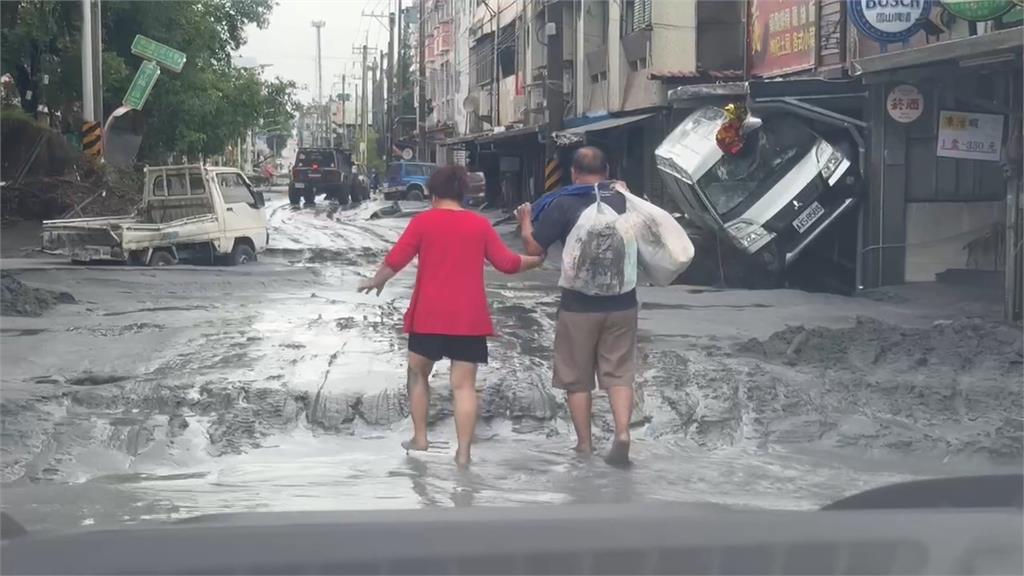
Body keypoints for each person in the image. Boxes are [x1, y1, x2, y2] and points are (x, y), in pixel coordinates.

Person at [359, 165, 544, 467]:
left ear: (432, 193)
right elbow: (507, 263)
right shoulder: (479, 225)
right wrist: (536, 261)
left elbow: (397, 258)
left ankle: (420, 437)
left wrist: (377, 281)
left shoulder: (423, 223)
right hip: (468, 319)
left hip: (429, 317)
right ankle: (464, 453)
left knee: (418, 373)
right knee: (464, 386)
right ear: (464, 194)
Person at [515, 147, 638, 468]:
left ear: (573, 173)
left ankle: (584, 446)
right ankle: (623, 433)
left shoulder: (562, 203)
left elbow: (534, 250)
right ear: (608, 169)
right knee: (619, 372)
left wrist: (526, 222)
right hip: (623, 302)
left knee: (577, 378)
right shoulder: (624, 200)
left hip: (578, 306)